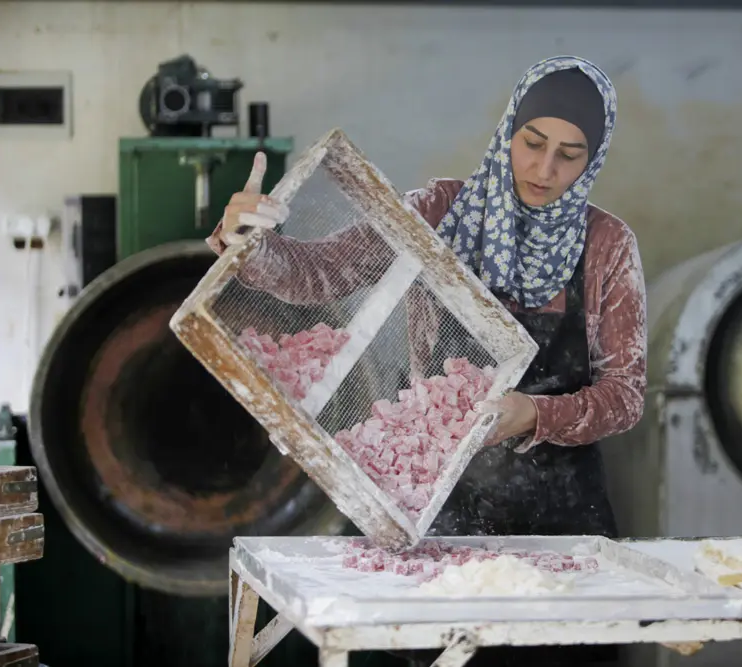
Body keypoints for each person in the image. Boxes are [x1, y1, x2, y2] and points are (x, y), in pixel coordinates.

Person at [210, 55, 647, 666]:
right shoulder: (438, 212)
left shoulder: (606, 246)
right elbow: (316, 273)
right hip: (440, 518)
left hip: (563, 528)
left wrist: (532, 415)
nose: (544, 169)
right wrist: (251, 243)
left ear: (593, 158)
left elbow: (624, 396)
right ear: (509, 130)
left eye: (570, 155)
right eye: (532, 142)